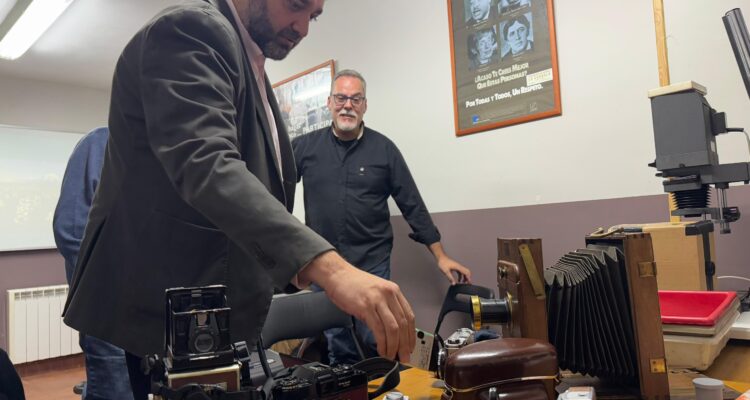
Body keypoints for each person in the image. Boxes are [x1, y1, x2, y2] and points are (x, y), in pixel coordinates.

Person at [62, 1, 416, 398]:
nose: (303, 28)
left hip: (211, 317)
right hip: (161, 316)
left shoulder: (251, 64)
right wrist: (332, 270)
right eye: (297, 6)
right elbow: (207, 165)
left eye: (313, 17)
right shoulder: (190, 29)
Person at [292, 70, 473, 365]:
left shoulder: (384, 150)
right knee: (338, 343)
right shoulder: (303, 147)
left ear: (365, 105)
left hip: (371, 261)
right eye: (341, 98)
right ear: (329, 102)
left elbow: (412, 203)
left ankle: (381, 388)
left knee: (377, 339)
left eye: (355, 98)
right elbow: (276, 191)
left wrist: (440, 255)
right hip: (325, 263)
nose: (347, 105)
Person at [52, 127, 133, 400]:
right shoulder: (101, 142)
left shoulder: (175, 150)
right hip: (110, 313)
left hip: (162, 317)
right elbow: (72, 232)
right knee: (116, 391)